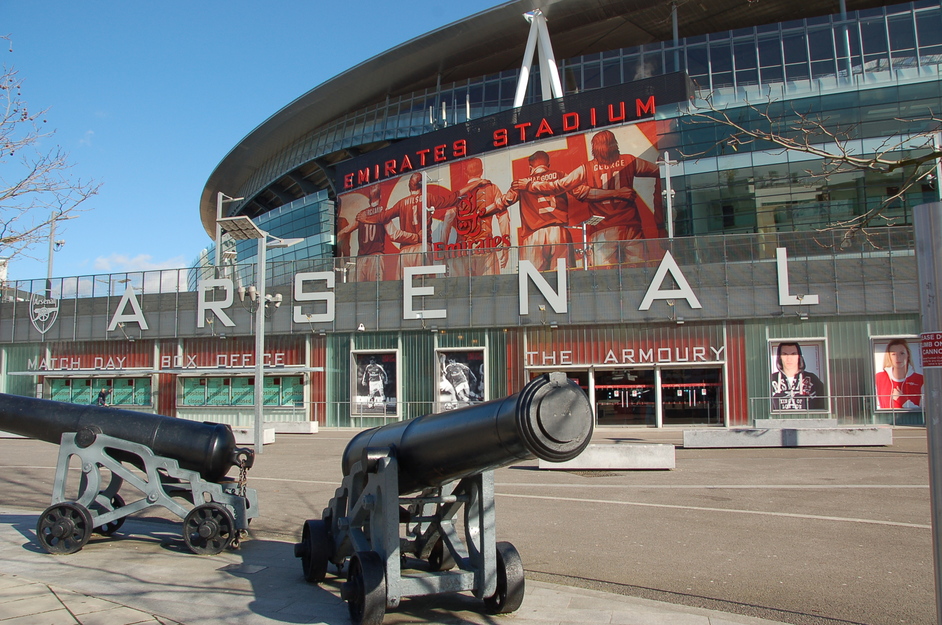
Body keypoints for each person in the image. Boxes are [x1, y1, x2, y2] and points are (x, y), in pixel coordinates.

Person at [511, 129, 662, 266]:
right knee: (639, 274)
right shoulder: (629, 160)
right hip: (631, 226)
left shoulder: (586, 168)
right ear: (615, 144)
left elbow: (559, 185)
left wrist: (530, 185)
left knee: (601, 278)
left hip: (602, 228)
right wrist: (660, 214)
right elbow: (660, 171)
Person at [484, 150, 573, 272]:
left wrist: (483, 212)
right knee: (564, 278)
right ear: (548, 165)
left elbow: (503, 202)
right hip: (558, 232)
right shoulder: (561, 175)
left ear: (530, 168)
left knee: (531, 281)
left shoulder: (521, 182)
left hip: (533, 235)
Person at [385, 172, 462, 278]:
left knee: (402, 288)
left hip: (405, 251)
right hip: (422, 247)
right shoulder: (428, 198)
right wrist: (471, 186)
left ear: (409, 186)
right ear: (423, 186)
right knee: (425, 284)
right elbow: (450, 199)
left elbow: (383, 219)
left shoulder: (401, 203)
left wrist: (367, 217)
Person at [442, 158, 510, 276]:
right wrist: (505, 245)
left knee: (460, 291)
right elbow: (503, 217)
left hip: (461, 249)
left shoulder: (459, 193)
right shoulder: (492, 188)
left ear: (466, 173)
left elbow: (447, 221)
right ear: (482, 171)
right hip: (485, 246)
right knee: (490, 290)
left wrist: (443, 253)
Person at [338, 185, 398, 282]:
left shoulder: (361, 214)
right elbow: (393, 234)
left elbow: (346, 230)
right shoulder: (383, 211)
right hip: (376, 257)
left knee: (358, 291)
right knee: (377, 290)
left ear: (369, 199)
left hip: (361, 259)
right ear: (380, 197)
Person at [770, 342, 825, 411]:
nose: (789, 358)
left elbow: (823, 404)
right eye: (785, 354)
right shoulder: (771, 380)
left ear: (799, 356)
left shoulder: (812, 379)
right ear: (779, 357)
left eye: (793, 354)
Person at [875, 339, 923, 410]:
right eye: (893, 354)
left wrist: (902, 399)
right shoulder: (878, 378)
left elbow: (925, 411)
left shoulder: (920, 379)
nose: (898, 357)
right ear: (889, 357)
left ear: (908, 355)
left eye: (902, 353)